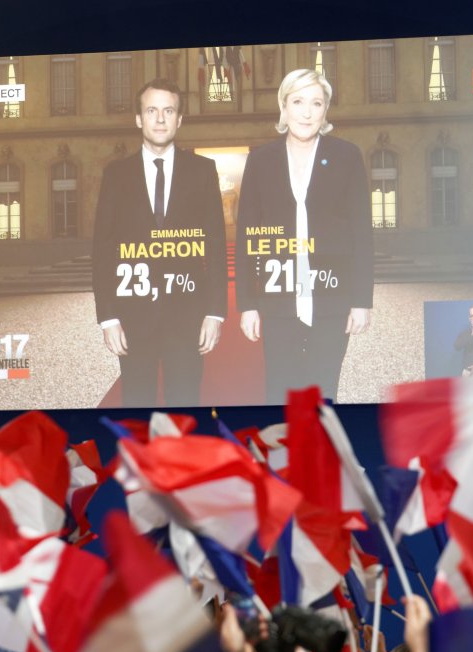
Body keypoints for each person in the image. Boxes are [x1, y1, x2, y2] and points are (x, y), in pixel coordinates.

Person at [236, 69, 373, 403]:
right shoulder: (260, 160)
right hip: (278, 297)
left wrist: (361, 301)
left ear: (326, 111)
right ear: (283, 107)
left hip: (331, 296)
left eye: (317, 103)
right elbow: (247, 236)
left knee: (323, 392)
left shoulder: (347, 156)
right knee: (281, 393)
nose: (307, 112)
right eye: (298, 102)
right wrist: (247, 304)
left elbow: (362, 232)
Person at [92, 78, 228, 408]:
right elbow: (103, 249)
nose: (160, 119)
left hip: (188, 315)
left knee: (186, 405)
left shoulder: (203, 170)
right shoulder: (116, 174)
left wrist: (215, 313)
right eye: (151, 111)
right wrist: (108, 318)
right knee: (137, 407)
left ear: (179, 119)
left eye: (168, 111)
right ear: (139, 119)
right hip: (133, 315)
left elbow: (215, 244)